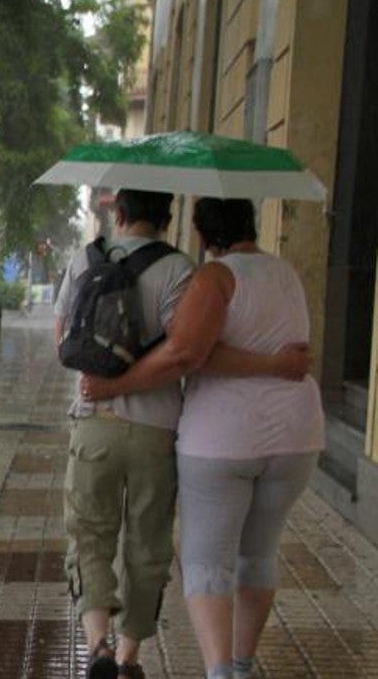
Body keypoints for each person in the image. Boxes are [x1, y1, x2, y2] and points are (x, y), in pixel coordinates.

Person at [81, 198, 320, 679]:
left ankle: (220, 672)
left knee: (208, 564)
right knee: (258, 555)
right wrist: (275, 365)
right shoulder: (287, 274)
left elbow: (186, 354)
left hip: (223, 439)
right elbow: (287, 349)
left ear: (204, 233)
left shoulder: (215, 277)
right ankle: (243, 664)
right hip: (296, 436)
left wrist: (115, 386)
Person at [55, 189, 197, 679]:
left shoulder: (83, 259)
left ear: (118, 214)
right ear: (167, 218)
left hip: (94, 422)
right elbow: (182, 351)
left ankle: (97, 645)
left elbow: (63, 342)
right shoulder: (181, 269)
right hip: (157, 428)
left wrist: (106, 379)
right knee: (148, 542)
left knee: (89, 534)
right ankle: (128, 656)